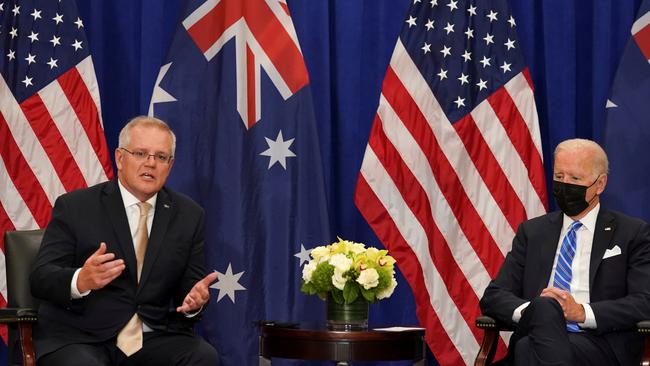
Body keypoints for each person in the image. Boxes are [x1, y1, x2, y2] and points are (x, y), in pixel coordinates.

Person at [30, 116, 219, 366]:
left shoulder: (189, 215)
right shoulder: (76, 206)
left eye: (160, 157)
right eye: (141, 153)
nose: (150, 164)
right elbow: (41, 278)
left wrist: (194, 302)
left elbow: (190, 288)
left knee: (203, 356)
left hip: (151, 337)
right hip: (82, 336)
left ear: (170, 165)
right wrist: (81, 280)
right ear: (120, 158)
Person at [480, 138, 650, 366]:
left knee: (528, 349)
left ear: (600, 184)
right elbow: (494, 296)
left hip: (599, 344)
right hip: (535, 336)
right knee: (543, 311)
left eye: (575, 178)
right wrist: (538, 313)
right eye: (559, 177)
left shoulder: (632, 233)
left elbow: (644, 301)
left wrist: (581, 312)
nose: (565, 184)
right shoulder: (532, 232)